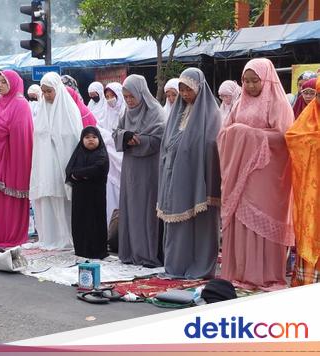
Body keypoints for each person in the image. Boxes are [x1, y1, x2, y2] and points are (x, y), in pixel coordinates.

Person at [218, 58, 295, 290]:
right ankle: (240, 271)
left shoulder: (278, 103)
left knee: (259, 221)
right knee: (240, 220)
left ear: (267, 79)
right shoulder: (240, 103)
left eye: (255, 81)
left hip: (267, 175)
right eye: (246, 81)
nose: (250, 86)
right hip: (240, 173)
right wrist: (237, 133)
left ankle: (263, 275)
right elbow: (223, 133)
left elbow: (284, 138)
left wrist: (249, 134)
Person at [157, 68, 222, 279]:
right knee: (177, 223)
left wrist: (188, 151)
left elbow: (212, 144)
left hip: (199, 178)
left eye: (188, 90)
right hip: (174, 176)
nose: (185, 94)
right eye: (182, 90)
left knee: (201, 225)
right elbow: (167, 142)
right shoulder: (177, 113)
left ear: (199, 89)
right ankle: (176, 266)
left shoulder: (211, 114)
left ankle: (200, 267)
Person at [113, 75, 165, 267]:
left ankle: (147, 253)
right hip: (130, 169)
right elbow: (116, 132)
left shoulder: (156, 112)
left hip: (149, 168)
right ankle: (130, 251)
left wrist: (141, 140)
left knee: (146, 209)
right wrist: (125, 136)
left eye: (131, 96)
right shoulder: (126, 113)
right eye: (125, 97)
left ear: (141, 93)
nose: (129, 101)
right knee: (131, 207)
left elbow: (161, 137)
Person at [0, 70, 34, 248]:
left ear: (13, 84)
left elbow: (21, 139)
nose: (0, 85)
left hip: (11, 164)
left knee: (10, 203)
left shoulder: (21, 105)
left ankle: (12, 236)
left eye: (4, 82)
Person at [29, 72, 82, 250]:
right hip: (45, 163)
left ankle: (66, 238)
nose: (46, 95)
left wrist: (56, 137)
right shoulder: (42, 109)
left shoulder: (69, 109)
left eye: (49, 91)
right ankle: (50, 237)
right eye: (43, 92)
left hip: (63, 161)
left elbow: (74, 137)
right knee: (48, 198)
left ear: (57, 90)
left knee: (63, 200)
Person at [286, 78, 320, 287]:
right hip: (312, 191)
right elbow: (292, 138)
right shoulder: (308, 118)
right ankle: (309, 280)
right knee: (312, 227)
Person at [65, 126, 109, 259]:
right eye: (87, 137)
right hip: (80, 196)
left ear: (99, 139)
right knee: (80, 221)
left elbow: (99, 168)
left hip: (96, 195)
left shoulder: (101, 153)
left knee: (95, 222)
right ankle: (81, 249)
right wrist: (82, 174)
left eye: (94, 137)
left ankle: (97, 251)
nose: (91, 140)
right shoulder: (78, 153)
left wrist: (79, 174)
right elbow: (69, 171)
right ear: (82, 140)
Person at [97, 82, 126, 226]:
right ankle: (111, 225)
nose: (109, 99)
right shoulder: (105, 113)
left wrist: (110, 138)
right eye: (107, 96)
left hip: (121, 157)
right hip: (109, 161)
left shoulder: (125, 112)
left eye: (112, 96)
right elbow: (100, 128)